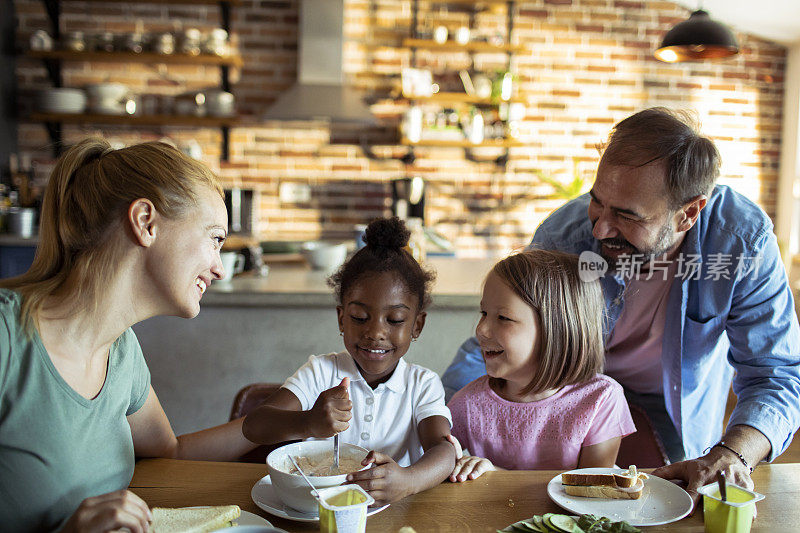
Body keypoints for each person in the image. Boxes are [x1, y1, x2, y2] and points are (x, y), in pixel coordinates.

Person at [442, 107, 800, 503]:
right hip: (569, 392)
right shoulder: (566, 235)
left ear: (688, 214)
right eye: (597, 202)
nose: (599, 229)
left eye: (627, 216)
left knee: (668, 502)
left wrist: (732, 455)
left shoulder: (740, 244)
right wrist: (438, 425)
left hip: (672, 406)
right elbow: (506, 334)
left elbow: (776, 374)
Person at [0, 138, 258, 533]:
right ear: (145, 222)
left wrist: (285, 425)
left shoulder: (121, 351)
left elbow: (170, 450)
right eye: (214, 238)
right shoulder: (7, 337)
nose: (219, 268)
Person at [242, 217, 458, 506]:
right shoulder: (320, 373)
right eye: (359, 317)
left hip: (391, 512)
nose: (375, 333)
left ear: (417, 326)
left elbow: (443, 452)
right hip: (316, 510)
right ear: (342, 318)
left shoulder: (422, 385)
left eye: (394, 320)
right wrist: (308, 421)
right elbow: (254, 426)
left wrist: (408, 481)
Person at [447, 250, 635, 482]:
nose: (481, 330)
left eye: (503, 318)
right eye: (483, 313)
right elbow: (431, 461)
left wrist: (498, 477)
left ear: (557, 329)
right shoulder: (467, 404)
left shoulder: (601, 399)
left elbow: (591, 489)